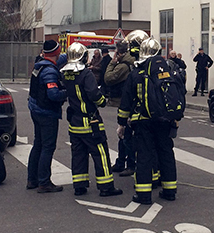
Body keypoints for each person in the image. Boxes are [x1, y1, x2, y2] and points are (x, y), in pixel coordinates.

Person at [118, 36, 179, 205]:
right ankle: (170, 191)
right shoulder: (169, 70)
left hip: (143, 121)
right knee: (166, 153)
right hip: (164, 120)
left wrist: (121, 123)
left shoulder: (136, 74)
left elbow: (126, 102)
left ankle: (144, 195)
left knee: (144, 156)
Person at [61, 42, 122, 197]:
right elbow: (94, 94)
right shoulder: (85, 74)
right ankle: (106, 186)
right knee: (100, 153)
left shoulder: (65, 73)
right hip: (90, 121)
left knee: (78, 154)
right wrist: (102, 101)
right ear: (83, 56)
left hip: (74, 121)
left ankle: (79, 186)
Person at [26, 39, 67, 193]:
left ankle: (32, 179)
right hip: (47, 112)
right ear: (56, 53)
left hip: (35, 109)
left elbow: (60, 58)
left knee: (38, 144)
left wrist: (72, 53)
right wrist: (68, 92)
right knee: (48, 147)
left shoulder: (40, 64)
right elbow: (54, 94)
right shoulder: (50, 71)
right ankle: (44, 182)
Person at [106, 38, 138, 176]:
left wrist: (112, 63)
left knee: (126, 134)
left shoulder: (123, 66)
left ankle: (130, 164)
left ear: (118, 52)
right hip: (130, 102)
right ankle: (121, 162)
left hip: (124, 102)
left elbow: (108, 78)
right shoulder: (132, 62)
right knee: (124, 134)